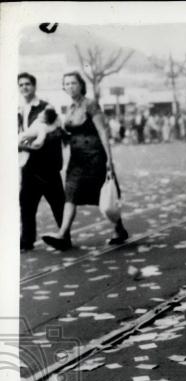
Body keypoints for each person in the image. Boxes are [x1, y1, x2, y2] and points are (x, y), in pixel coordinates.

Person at [42, 71, 128, 251]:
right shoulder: (71, 107)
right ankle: (62, 234)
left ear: (81, 85)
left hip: (94, 156)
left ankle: (119, 229)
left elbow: (103, 130)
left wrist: (109, 159)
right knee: (70, 194)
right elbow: (69, 133)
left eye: (74, 83)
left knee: (102, 195)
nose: (70, 86)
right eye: (67, 84)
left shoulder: (90, 104)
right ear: (63, 87)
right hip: (76, 158)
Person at [17, 72, 65, 252]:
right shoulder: (18, 109)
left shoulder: (46, 108)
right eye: (21, 85)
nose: (24, 88)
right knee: (26, 204)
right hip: (28, 164)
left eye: (27, 84)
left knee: (57, 203)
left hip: (47, 165)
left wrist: (27, 144)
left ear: (34, 86)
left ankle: (64, 237)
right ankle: (26, 241)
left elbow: (53, 134)